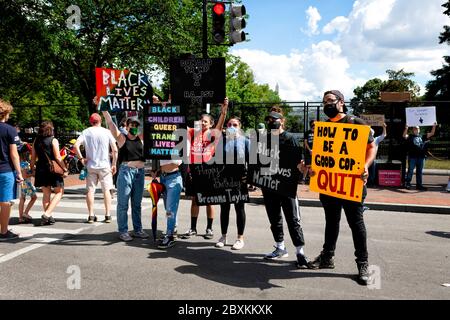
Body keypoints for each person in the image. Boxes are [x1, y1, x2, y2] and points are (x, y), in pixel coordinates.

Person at [307, 90, 377, 286]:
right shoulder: (324, 128)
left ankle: (363, 263)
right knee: (331, 221)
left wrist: (365, 165)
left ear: (341, 102)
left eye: (330, 101)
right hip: (329, 184)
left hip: (352, 184)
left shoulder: (356, 123)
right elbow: (321, 156)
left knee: (356, 223)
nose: (326, 105)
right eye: (324, 102)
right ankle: (327, 257)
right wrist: (314, 169)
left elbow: (372, 147)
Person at [260, 107, 311, 269]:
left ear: (282, 121)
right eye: (268, 120)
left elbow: (298, 162)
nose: (271, 122)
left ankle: (300, 252)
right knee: (274, 219)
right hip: (269, 186)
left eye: (274, 119)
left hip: (287, 187)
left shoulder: (290, 138)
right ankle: (280, 247)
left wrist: (302, 167)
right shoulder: (263, 139)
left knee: (293, 219)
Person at [183, 99, 228, 240]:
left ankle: (209, 228)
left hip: (208, 172)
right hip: (194, 172)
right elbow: (179, 121)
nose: (202, 123)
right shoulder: (192, 132)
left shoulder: (213, 135)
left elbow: (220, 125)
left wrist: (223, 110)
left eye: (205, 122)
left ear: (211, 124)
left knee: (209, 201)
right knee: (195, 200)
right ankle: (193, 228)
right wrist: (168, 105)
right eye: (201, 121)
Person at [102, 109, 148, 242]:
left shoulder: (141, 138)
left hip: (140, 173)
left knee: (137, 204)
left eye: (136, 125)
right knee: (123, 204)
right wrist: (104, 109)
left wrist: (158, 105)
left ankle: (138, 230)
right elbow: (111, 124)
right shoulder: (122, 138)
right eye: (131, 125)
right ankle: (123, 231)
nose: (134, 127)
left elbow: (154, 123)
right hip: (126, 172)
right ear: (126, 127)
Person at [73, 113, 118, 223]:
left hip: (91, 165)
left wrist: (81, 158)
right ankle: (107, 215)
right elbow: (115, 149)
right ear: (100, 121)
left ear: (90, 121)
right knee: (106, 190)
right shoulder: (106, 132)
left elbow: (75, 146)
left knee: (90, 191)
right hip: (104, 165)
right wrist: (114, 163)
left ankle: (91, 215)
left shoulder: (86, 132)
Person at [215, 116, 249, 250]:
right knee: (224, 208)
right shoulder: (221, 141)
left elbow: (252, 160)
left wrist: (249, 177)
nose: (231, 127)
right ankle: (223, 236)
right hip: (224, 179)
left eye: (235, 125)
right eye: (229, 124)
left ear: (239, 127)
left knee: (239, 208)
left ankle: (240, 238)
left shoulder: (245, 141)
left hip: (240, 180)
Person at [30, 121, 69, 226]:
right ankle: (47, 214)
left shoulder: (36, 140)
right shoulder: (53, 140)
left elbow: (33, 157)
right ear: (51, 129)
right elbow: (57, 157)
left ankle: (48, 217)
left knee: (46, 193)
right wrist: (64, 168)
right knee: (59, 192)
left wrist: (32, 168)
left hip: (41, 168)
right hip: (52, 169)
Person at [0, 99, 23, 240]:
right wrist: (19, 172)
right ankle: (3, 231)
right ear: (6, 113)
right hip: (5, 170)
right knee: (5, 201)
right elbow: (14, 154)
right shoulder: (10, 130)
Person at [157, 159, 183, 249]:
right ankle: (173, 229)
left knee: (170, 209)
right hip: (163, 177)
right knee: (168, 208)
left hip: (174, 177)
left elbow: (178, 161)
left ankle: (169, 235)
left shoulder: (181, 145)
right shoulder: (162, 145)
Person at [403, 123, 437, 191]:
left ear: (419, 129)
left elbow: (432, 133)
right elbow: (404, 135)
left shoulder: (423, 136)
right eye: (415, 129)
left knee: (419, 172)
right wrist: (406, 128)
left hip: (421, 157)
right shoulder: (410, 136)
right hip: (412, 157)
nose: (416, 130)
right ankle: (408, 184)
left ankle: (419, 185)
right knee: (410, 171)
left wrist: (434, 126)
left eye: (417, 128)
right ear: (413, 130)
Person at [18, 143, 37, 224]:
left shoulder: (19, 163)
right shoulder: (25, 163)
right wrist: (33, 174)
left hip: (20, 183)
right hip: (26, 183)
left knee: (22, 199)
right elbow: (25, 175)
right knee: (34, 197)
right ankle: (25, 213)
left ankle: (21, 217)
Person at [367, 123, 387, 187]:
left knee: (372, 172)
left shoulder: (376, 139)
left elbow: (384, 135)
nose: (370, 134)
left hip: (373, 158)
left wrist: (384, 127)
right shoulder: (364, 139)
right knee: (366, 170)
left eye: (371, 133)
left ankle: (371, 183)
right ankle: (365, 183)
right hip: (365, 158)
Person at [303, 119, 316, 184]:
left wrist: (315, 150)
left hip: (315, 151)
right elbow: (305, 142)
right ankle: (303, 179)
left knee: (313, 166)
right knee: (307, 165)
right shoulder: (307, 132)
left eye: (315, 124)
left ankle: (311, 179)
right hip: (308, 151)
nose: (314, 125)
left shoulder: (318, 132)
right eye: (313, 124)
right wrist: (310, 150)